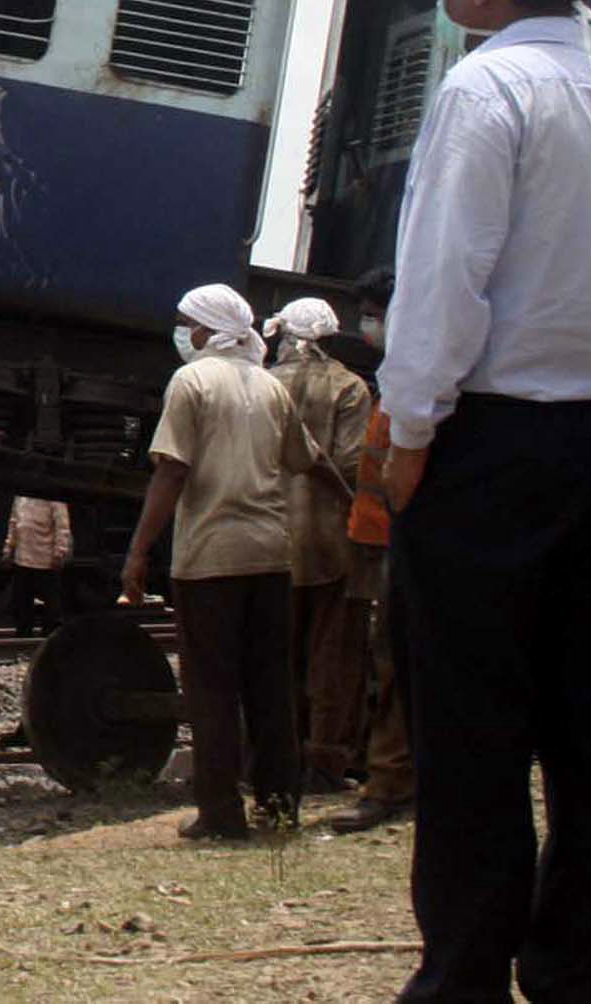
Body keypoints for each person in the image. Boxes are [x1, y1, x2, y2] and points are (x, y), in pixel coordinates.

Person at [382, 0, 591, 1001]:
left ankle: (463, 970)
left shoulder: (483, 87)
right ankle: (579, 966)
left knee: (471, 724)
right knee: (588, 733)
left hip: (492, 443)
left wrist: (411, 427)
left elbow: (445, 277)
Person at [120, 283, 309, 841]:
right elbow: (304, 459)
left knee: (213, 689)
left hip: (210, 559)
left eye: (187, 323)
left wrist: (136, 552)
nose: (183, 334)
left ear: (205, 329)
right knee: (271, 687)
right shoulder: (272, 387)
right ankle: (279, 807)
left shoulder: (192, 381)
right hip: (272, 556)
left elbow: (171, 470)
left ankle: (221, 813)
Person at [325, 267, 418, 835]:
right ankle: (390, 776)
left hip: (400, 543)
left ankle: (389, 783)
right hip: (382, 539)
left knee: (394, 660)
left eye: (375, 314)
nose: (369, 327)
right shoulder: (395, 377)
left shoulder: (412, 378)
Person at [268, 296, 372, 788]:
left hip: (270, 541)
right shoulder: (350, 388)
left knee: (275, 657)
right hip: (332, 542)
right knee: (333, 658)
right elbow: (352, 463)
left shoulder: (262, 384)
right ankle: (325, 763)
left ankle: (270, 759)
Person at [0, 493, 72, 637]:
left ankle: (49, 640)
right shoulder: (20, 496)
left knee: (51, 609)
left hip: (46, 560)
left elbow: (62, 526)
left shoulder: (54, 497)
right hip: (22, 559)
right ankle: (23, 638)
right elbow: (14, 523)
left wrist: (60, 552)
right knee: (22, 606)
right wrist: (8, 549)